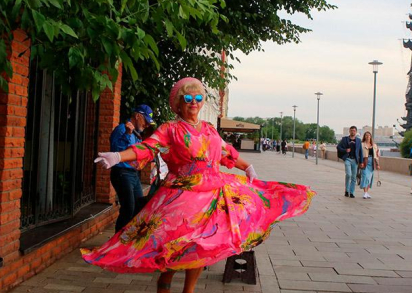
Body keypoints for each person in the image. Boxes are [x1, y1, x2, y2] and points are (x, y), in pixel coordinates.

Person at [82, 78, 314, 293]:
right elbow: (148, 147)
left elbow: (226, 153)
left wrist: (247, 167)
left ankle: (189, 290)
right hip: (181, 196)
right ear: (178, 103)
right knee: (174, 242)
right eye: (188, 98)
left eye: (198, 98)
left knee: (203, 244)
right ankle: (165, 281)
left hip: (213, 193)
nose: (194, 103)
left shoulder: (210, 130)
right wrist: (118, 157)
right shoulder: (169, 129)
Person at [109, 104, 155, 232]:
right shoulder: (122, 129)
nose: (146, 125)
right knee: (128, 208)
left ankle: (128, 239)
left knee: (139, 207)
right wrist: (128, 134)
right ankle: (117, 242)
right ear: (137, 116)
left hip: (133, 175)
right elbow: (116, 151)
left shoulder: (136, 134)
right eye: (145, 121)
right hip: (122, 173)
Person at [337, 126, 363, 198]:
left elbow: (360, 151)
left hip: (355, 160)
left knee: (354, 177)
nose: (352, 132)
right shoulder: (345, 139)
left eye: (354, 131)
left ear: (356, 132)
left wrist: (361, 162)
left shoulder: (358, 140)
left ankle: (351, 192)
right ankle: (347, 190)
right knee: (348, 174)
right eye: (351, 130)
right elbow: (338, 147)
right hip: (347, 159)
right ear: (349, 131)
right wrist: (345, 150)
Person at [359, 131, 381, 199]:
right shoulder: (362, 144)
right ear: (364, 137)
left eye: (369, 135)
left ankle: (367, 192)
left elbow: (377, 156)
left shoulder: (374, 146)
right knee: (365, 176)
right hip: (365, 161)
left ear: (371, 137)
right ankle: (365, 192)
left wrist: (377, 164)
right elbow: (360, 154)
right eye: (366, 135)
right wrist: (360, 162)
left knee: (369, 178)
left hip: (372, 162)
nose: (367, 136)